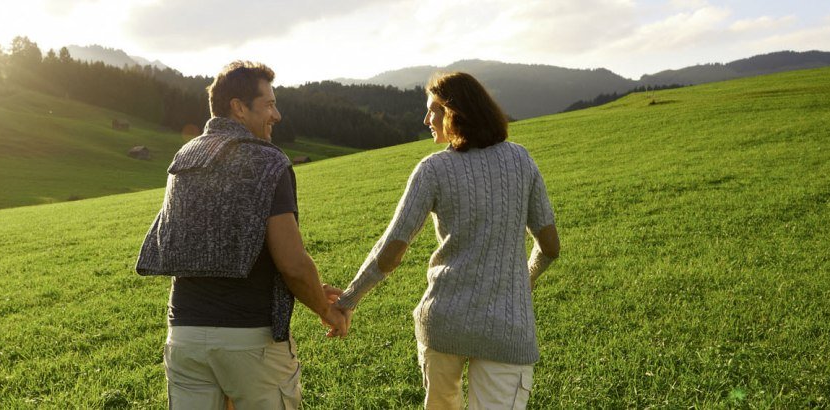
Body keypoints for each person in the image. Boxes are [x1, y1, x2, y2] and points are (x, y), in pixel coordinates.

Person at [334, 71, 560, 409]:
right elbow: (550, 246)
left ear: (457, 112)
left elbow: (392, 249)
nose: (427, 119)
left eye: (433, 110)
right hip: (507, 327)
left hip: (443, 322)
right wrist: (522, 280)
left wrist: (348, 301)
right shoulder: (521, 160)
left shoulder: (433, 170)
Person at [136, 60, 349, 410]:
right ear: (238, 107)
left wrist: (312, 289)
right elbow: (292, 264)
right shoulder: (268, 161)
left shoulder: (184, 157)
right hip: (251, 344)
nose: (277, 115)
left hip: (185, 340)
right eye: (268, 104)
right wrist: (326, 311)